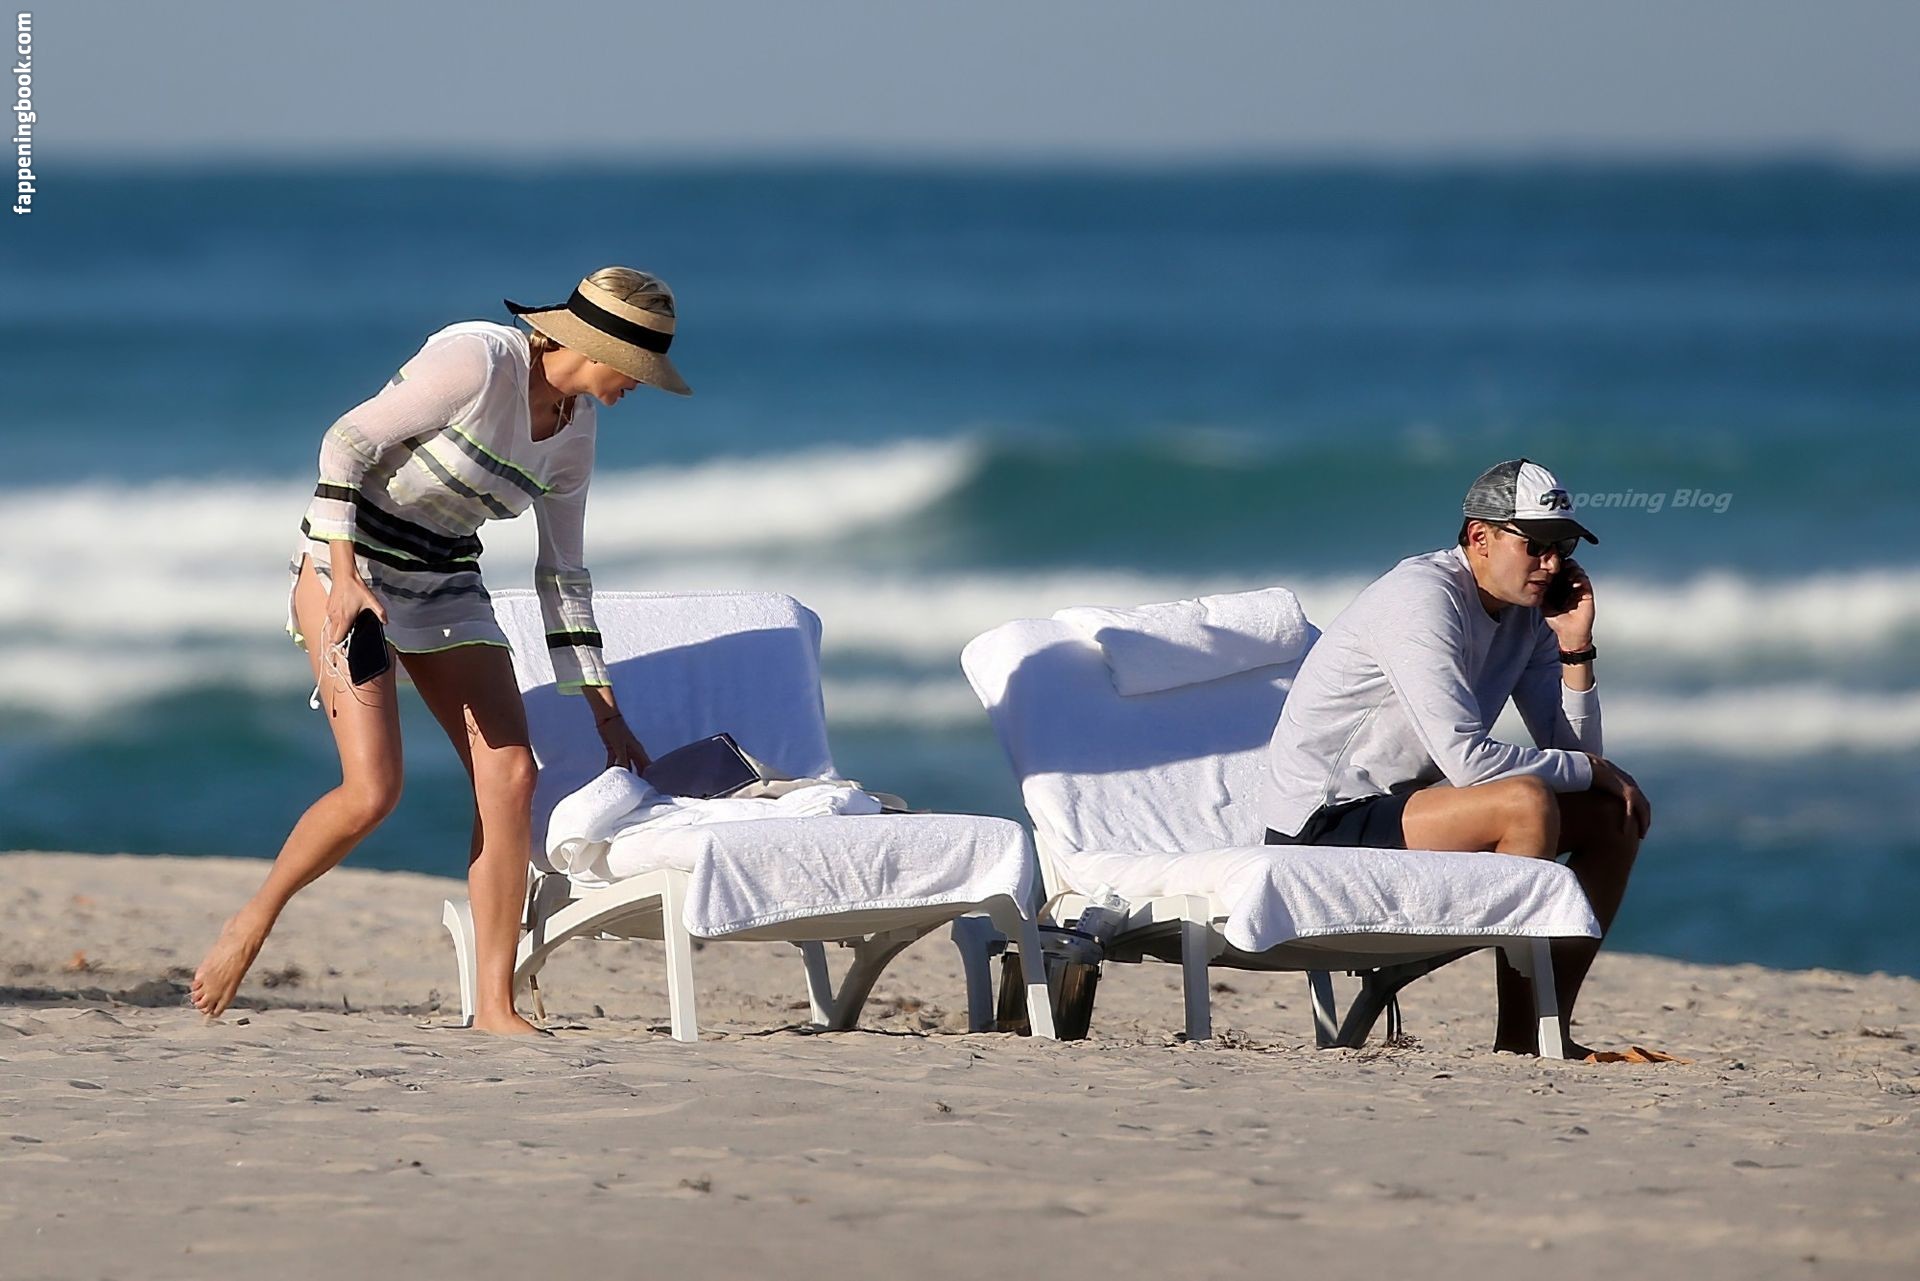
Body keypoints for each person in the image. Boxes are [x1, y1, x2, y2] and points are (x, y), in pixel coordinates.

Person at [191, 267, 690, 1034]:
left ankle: (495, 1004)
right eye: (637, 369)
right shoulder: (479, 361)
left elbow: (563, 575)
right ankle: (254, 917)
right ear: (598, 348)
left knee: (512, 774)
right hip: (348, 564)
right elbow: (346, 444)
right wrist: (346, 580)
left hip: (445, 580)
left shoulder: (577, 433)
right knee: (373, 791)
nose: (639, 386)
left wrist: (605, 712)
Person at [1264, 458, 1650, 1056]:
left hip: (1404, 810)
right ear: (1480, 536)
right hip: (1321, 827)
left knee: (1611, 815)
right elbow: (1468, 761)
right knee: (1524, 804)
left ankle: (1543, 1032)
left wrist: (1576, 648)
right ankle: (1522, 1041)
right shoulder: (1422, 599)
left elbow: (1575, 760)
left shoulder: (1528, 616)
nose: (1552, 564)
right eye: (1535, 545)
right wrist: (1590, 770)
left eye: (1563, 546)